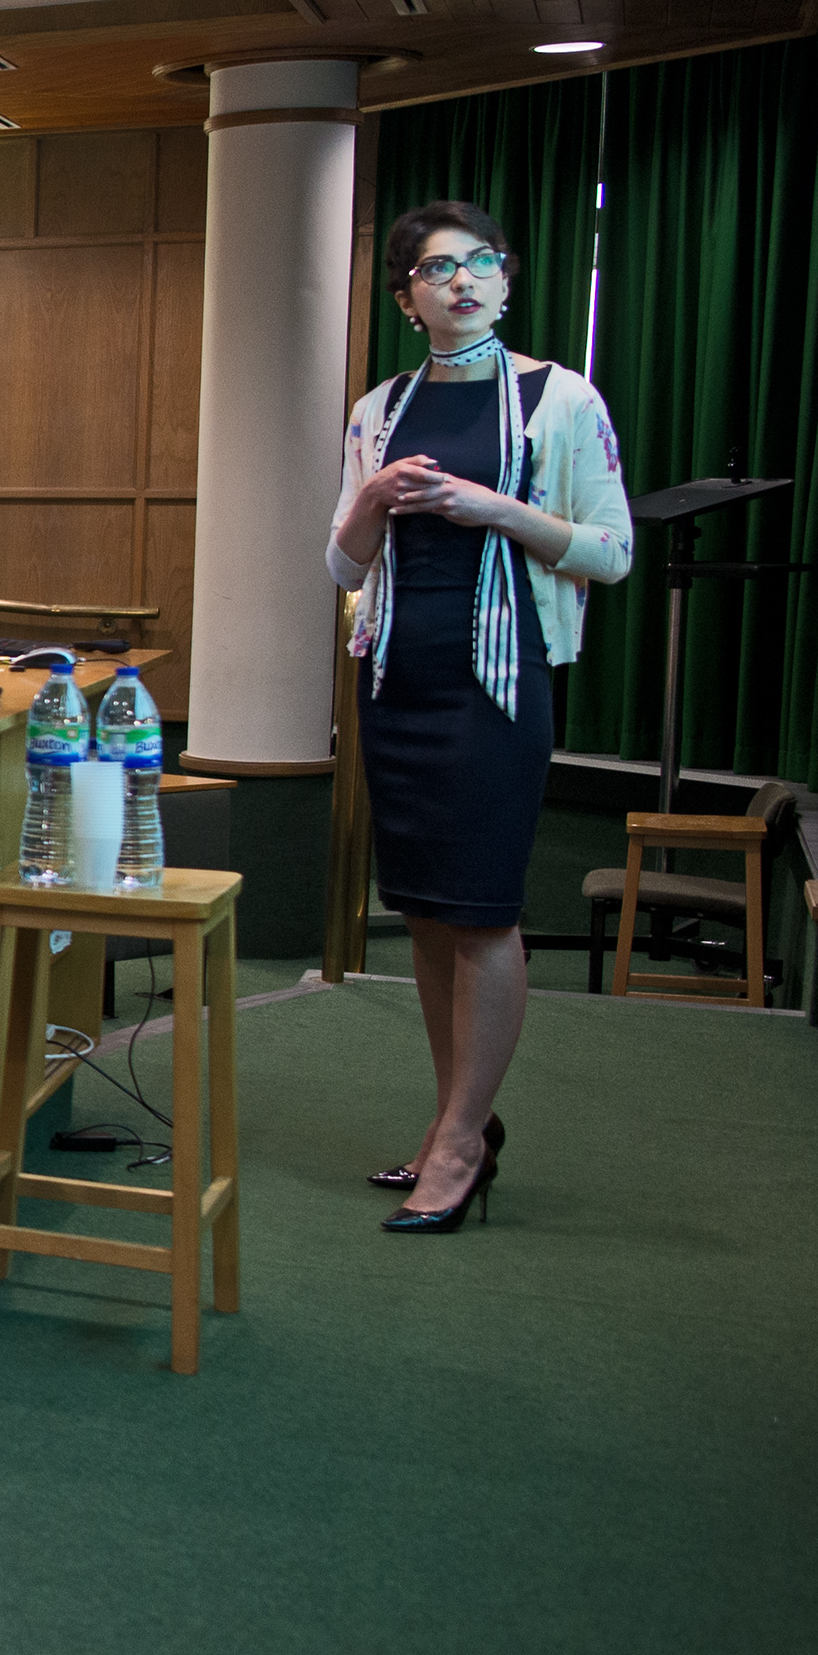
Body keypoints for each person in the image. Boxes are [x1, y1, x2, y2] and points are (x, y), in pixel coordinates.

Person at [330, 199, 634, 1235]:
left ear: (504, 281)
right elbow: (339, 562)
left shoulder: (559, 397)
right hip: (397, 680)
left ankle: (461, 1144)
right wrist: (371, 501)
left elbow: (611, 551)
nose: (463, 281)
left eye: (482, 264)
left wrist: (490, 507)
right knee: (424, 910)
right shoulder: (378, 405)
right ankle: (455, 1116)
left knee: (483, 911)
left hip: (497, 685)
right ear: (406, 297)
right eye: (437, 268)